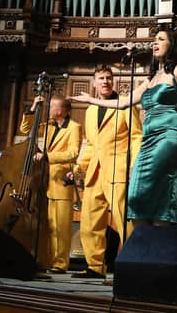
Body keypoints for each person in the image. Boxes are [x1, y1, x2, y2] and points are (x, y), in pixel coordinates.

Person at [71, 26, 177, 226]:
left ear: (171, 44)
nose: (154, 43)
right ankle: (145, 242)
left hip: (168, 137)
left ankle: (161, 233)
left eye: (161, 39)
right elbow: (122, 103)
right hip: (148, 140)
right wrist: (91, 100)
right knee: (136, 194)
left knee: (161, 187)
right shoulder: (151, 79)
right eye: (154, 39)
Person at [70, 64, 143, 279]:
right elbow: (91, 143)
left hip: (118, 169)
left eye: (108, 78)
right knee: (90, 221)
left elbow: (136, 137)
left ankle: (133, 264)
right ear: (94, 83)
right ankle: (95, 266)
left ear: (113, 81)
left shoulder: (125, 105)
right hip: (95, 171)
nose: (105, 81)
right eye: (101, 78)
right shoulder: (91, 110)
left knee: (123, 220)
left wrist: (134, 165)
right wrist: (79, 168)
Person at [20, 94, 81, 274]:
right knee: (48, 226)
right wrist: (33, 108)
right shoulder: (47, 127)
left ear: (61, 110)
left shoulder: (74, 128)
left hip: (61, 183)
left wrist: (48, 156)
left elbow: (73, 153)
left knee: (61, 227)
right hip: (44, 182)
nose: (49, 110)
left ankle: (60, 264)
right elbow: (26, 129)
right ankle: (45, 261)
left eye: (52, 107)